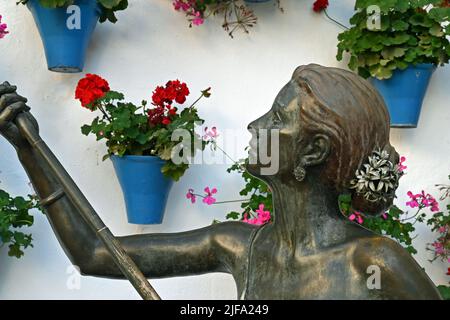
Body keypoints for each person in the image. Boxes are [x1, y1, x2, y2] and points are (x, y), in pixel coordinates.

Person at [0, 64, 442, 299]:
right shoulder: (238, 248)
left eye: (277, 118)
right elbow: (94, 253)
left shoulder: (372, 263)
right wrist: (29, 149)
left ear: (314, 151)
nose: (254, 126)